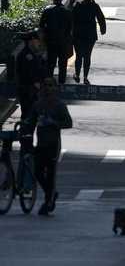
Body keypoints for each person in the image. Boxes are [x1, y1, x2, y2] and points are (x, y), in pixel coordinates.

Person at [28, 77, 73, 216]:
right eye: (45, 85)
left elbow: (69, 123)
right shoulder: (37, 105)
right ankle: (51, 193)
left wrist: (54, 123)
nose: (48, 88)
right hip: (40, 144)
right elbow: (30, 121)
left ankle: (48, 203)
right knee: (37, 171)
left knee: (51, 174)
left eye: (50, 86)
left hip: (53, 144)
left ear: (55, 88)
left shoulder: (60, 105)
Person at [71, 0, 107, 85]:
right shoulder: (94, 5)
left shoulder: (76, 5)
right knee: (87, 56)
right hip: (90, 34)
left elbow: (71, 19)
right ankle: (85, 77)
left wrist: (70, 33)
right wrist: (103, 29)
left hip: (78, 34)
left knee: (78, 55)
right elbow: (101, 18)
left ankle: (77, 74)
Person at [39, 0, 72, 85]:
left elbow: (41, 25)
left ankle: (49, 83)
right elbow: (70, 28)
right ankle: (62, 82)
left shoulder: (47, 10)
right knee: (63, 64)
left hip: (50, 40)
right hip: (63, 41)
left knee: (50, 63)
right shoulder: (67, 11)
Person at [15, 29, 46, 120]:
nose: (38, 43)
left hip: (32, 90)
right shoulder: (26, 55)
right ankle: (24, 132)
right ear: (31, 40)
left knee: (32, 115)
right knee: (27, 114)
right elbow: (26, 72)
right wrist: (35, 82)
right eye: (37, 41)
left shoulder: (32, 54)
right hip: (28, 89)